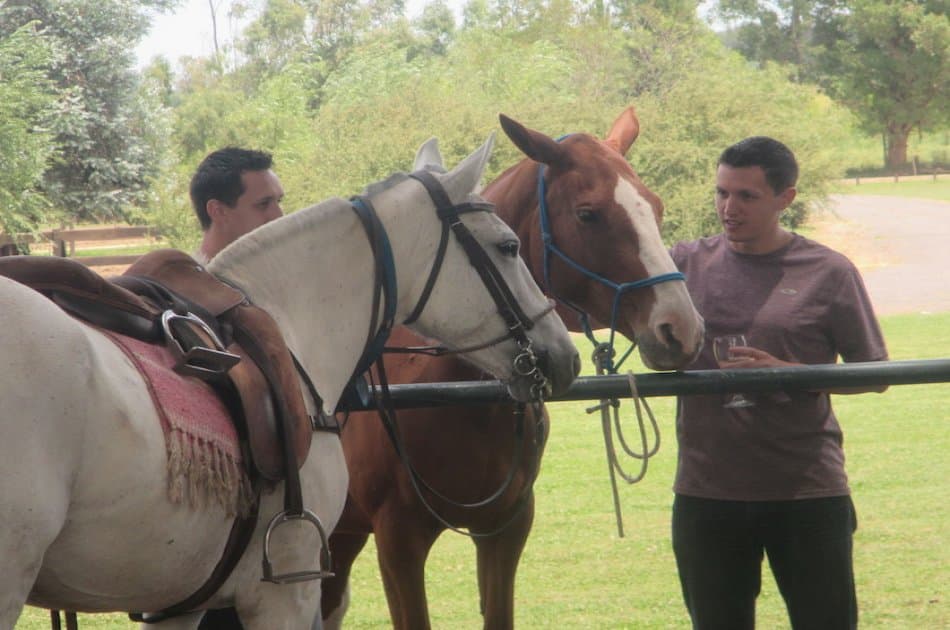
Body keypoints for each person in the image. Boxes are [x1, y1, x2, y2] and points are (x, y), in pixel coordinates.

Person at [669, 136, 889, 629]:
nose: (729, 208)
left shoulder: (829, 271)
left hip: (807, 493)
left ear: (785, 198)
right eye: (722, 193)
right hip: (707, 494)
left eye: (747, 196)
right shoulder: (682, 265)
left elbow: (873, 373)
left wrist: (787, 373)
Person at [190, 146, 285, 263]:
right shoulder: (183, 281)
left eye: (279, 201)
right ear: (218, 211)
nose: (279, 216)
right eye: (263, 204)